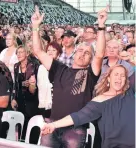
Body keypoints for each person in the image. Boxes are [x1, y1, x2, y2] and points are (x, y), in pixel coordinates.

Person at [31, 6, 107, 147]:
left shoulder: (90, 74)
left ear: (91, 59)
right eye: (80, 51)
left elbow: (100, 54)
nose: (82, 54)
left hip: (76, 128)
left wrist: (101, 27)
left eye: (87, 53)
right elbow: (38, 51)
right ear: (74, 53)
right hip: (52, 123)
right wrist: (35, 27)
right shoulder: (59, 68)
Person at [42, 65, 135, 148]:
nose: (119, 78)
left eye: (122, 76)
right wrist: (53, 125)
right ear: (109, 78)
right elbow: (78, 117)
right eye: (116, 74)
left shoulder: (130, 94)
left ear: (126, 80)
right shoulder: (100, 101)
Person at [12, 45, 39, 141]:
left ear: (27, 53)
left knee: (29, 123)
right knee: (20, 123)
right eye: (17, 52)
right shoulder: (16, 66)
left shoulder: (34, 65)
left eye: (21, 52)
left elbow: (35, 84)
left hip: (31, 99)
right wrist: (14, 98)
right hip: (20, 98)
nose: (18, 54)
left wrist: (30, 84)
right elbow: (15, 83)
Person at [37, 41, 62, 119]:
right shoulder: (41, 67)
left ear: (59, 54)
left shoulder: (62, 68)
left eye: (54, 50)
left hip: (57, 103)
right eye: (48, 50)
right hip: (43, 102)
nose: (50, 52)